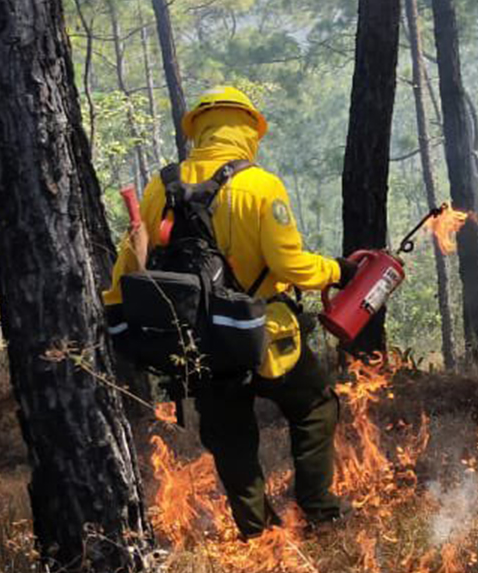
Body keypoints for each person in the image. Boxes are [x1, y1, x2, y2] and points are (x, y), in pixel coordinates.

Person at [104, 86, 355, 537]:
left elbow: (130, 265)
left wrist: (119, 320)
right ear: (248, 129)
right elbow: (289, 265)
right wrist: (337, 270)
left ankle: (257, 531)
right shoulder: (260, 185)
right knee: (315, 406)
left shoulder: (161, 185)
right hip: (263, 336)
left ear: (198, 129)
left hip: (194, 341)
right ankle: (319, 511)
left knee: (231, 436)